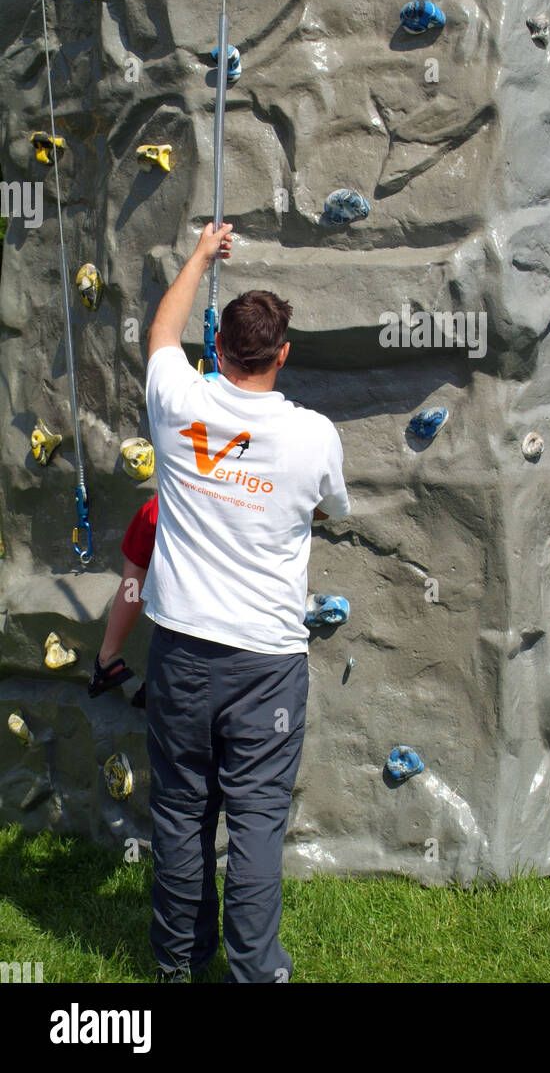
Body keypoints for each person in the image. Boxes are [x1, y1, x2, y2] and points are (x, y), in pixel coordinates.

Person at [142, 220, 350, 983]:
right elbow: (329, 509)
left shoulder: (176, 399)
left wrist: (199, 254)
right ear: (283, 354)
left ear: (219, 349)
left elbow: (161, 331)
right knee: (257, 822)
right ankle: (254, 971)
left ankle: (176, 964)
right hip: (265, 661)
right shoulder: (314, 435)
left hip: (181, 650)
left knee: (180, 813)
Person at [88, 495, 158, 701]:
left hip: (184, 648)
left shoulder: (157, 509)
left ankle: (108, 657)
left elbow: (133, 580)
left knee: (134, 577)